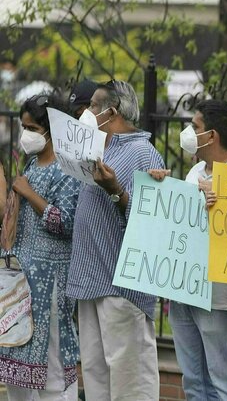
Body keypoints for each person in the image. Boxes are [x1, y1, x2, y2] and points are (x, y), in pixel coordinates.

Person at [65, 80, 164, 400]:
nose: (87, 112)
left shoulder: (141, 151)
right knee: (95, 376)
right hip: (90, 281)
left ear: (112, 112)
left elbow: (153, 222)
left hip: (122, 288)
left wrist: (117, 191)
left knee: (129, 380)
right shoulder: (94, 149)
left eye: (93, 106)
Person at [147, 99, 227, 400]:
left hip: (219, 297)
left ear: (212, 136)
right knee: (194, 382)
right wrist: (163, 189)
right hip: (185, 289)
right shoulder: (195, 172)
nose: (189, 132)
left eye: (195, 127)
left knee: (225, 382)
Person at [0, 92, 82, 399]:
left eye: (32, 128)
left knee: (53, 368)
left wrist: (28, 193)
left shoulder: (70, 170)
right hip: (20, 279)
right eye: (24, 127)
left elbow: (65, 223)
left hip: (50, 282)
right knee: (15, 362)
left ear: (51, 129)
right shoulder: (31, 164)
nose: (26, 134)